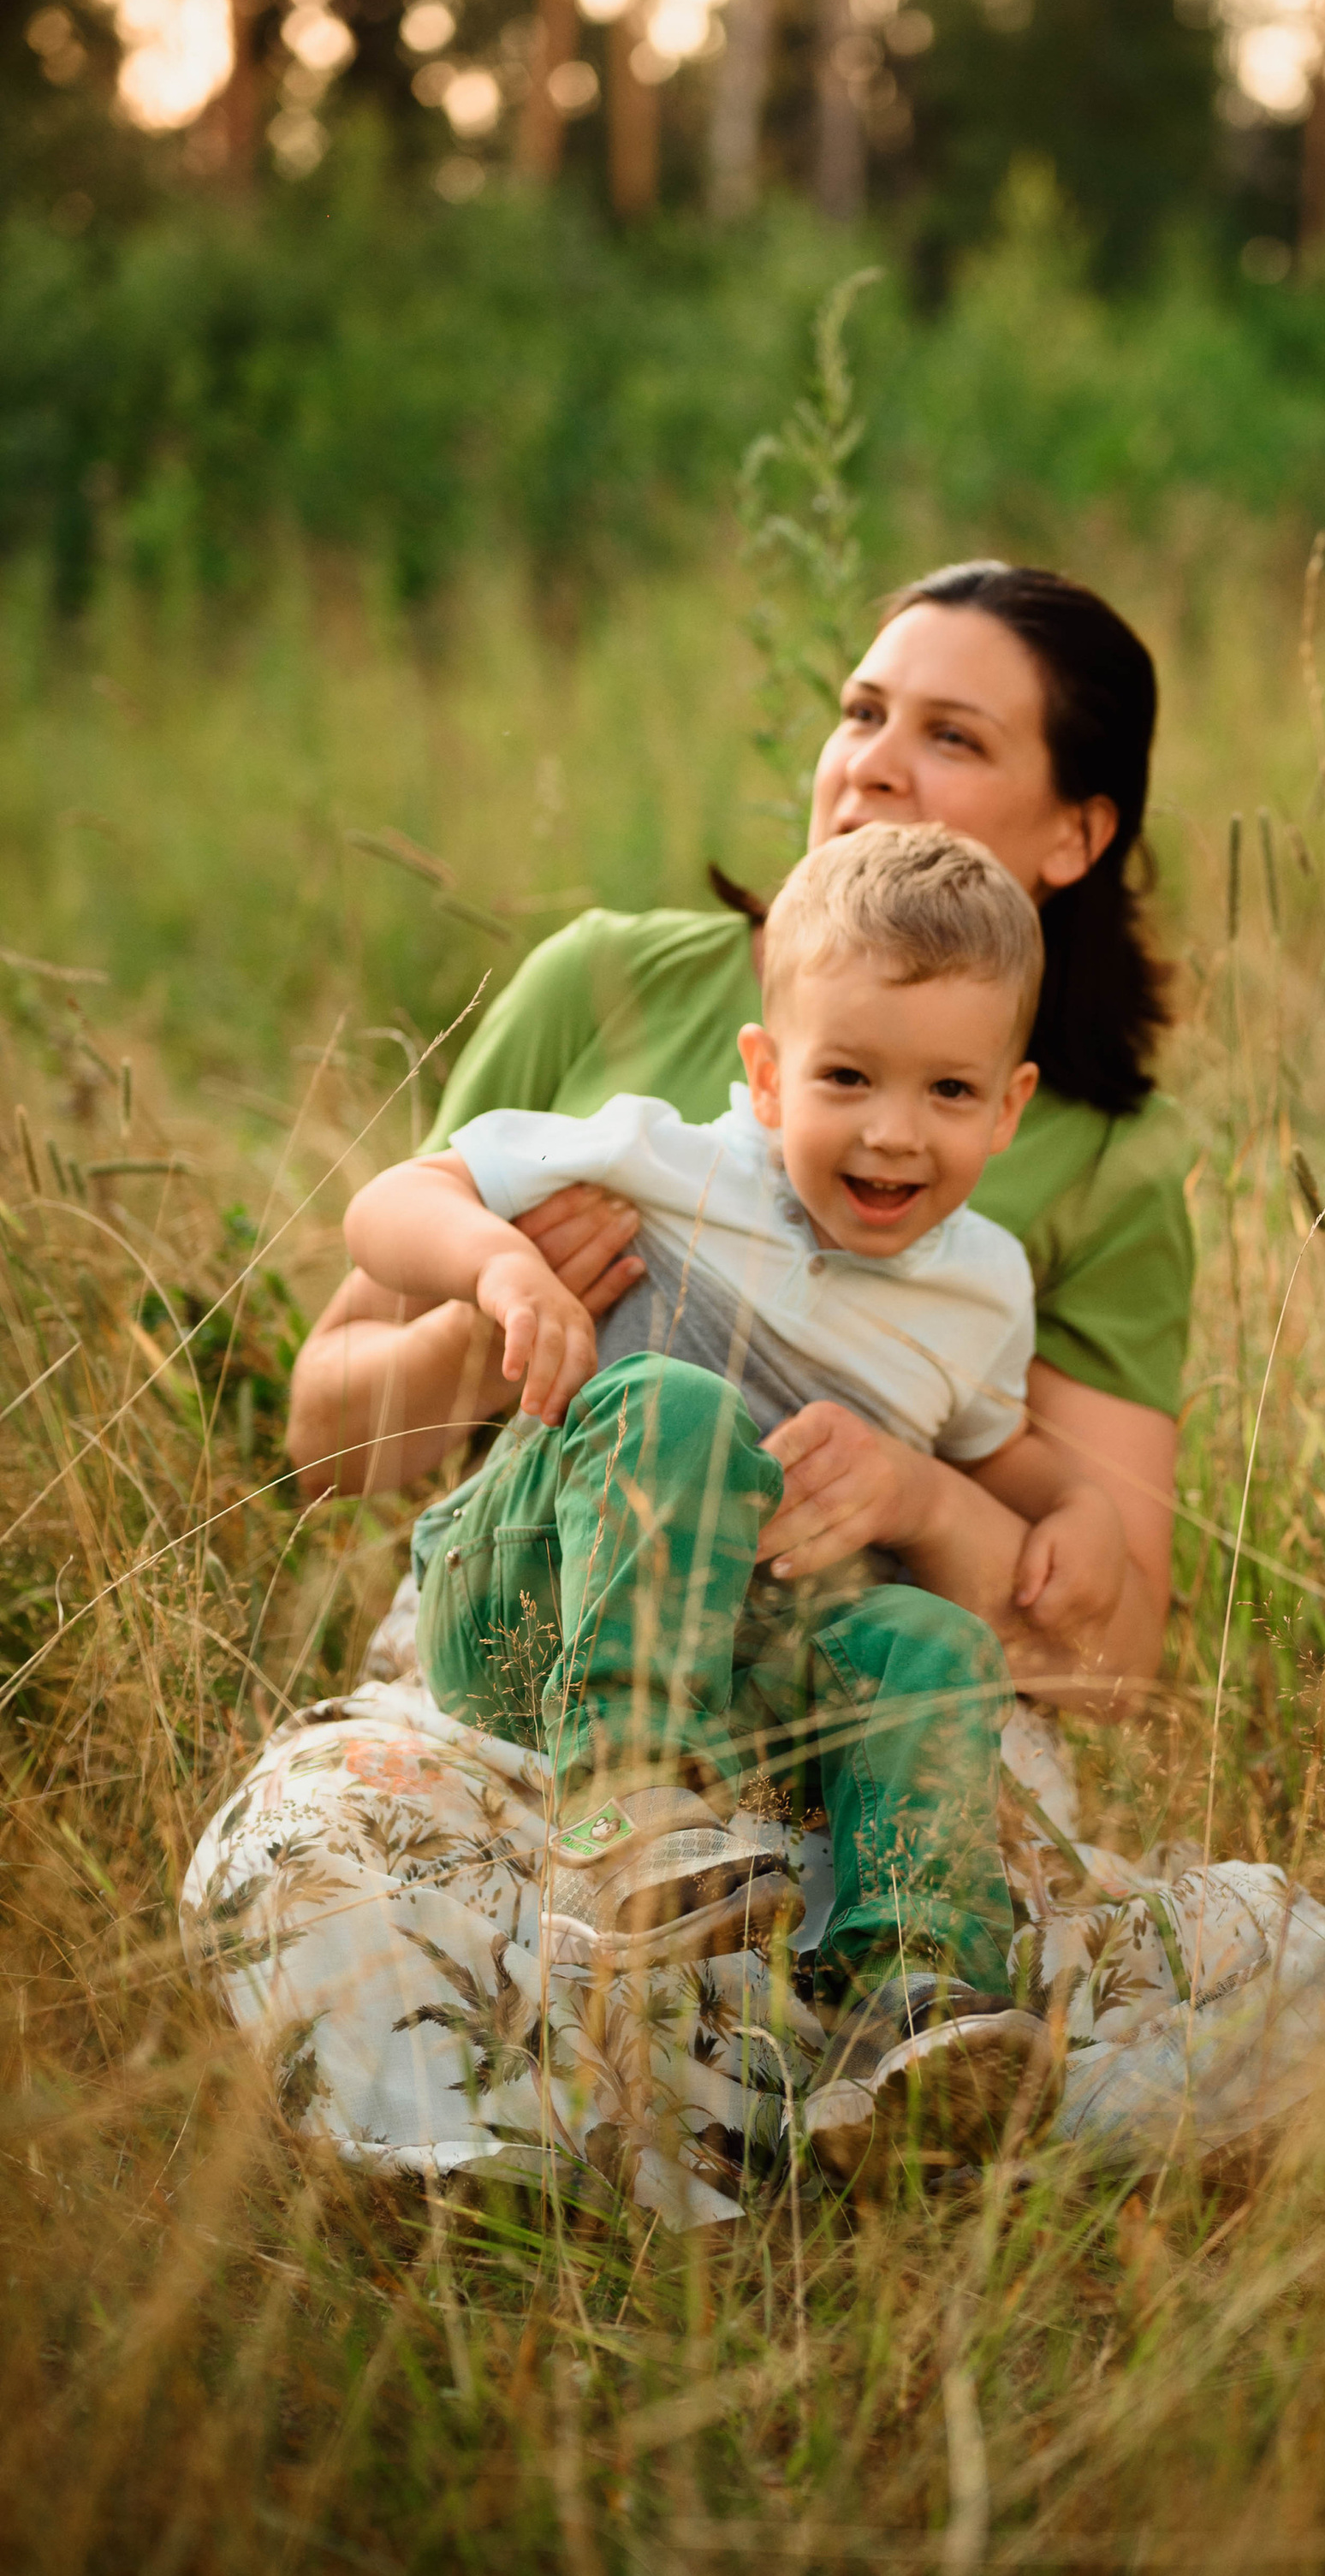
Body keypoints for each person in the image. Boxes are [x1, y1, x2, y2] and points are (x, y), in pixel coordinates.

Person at [341, 823, 1118, 2177]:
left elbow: (1014, 1453)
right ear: (765, 1077)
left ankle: (918, 1999)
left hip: (738, 1674)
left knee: (932, 1644)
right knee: (687, 1410)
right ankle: (616, 1822)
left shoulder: (982, 1286)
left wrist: (1082, 1512)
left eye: (948, 1091)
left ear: (1010, 1105)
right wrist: (496, 1272)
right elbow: (392, 1203)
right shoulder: (668, 1159)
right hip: (534, 1598)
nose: (893, 1129)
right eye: (848, 1077)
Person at [287, 559, 1189, 1714]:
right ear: (763, 1076)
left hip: (831, 1690)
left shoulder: (1106, 1161)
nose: (871, 760)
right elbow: (322, 1447)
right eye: (862, 714)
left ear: (1076, 834)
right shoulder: (607, 982)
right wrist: (506, 1318)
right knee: (306, 1890)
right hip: (533, 1649)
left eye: (954, 739)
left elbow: (1107, 1668)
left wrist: (925, 1502)